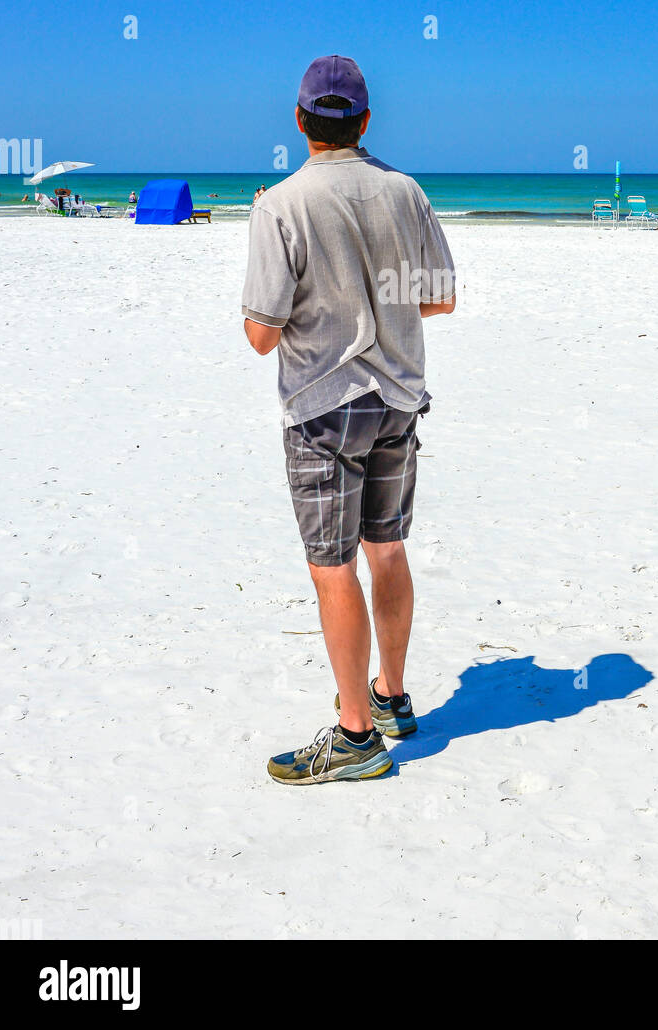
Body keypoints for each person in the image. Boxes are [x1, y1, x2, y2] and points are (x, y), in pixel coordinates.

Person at [242, 55, 456, 785]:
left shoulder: (280, 204)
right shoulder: (405, 191)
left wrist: (328, 305)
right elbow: (437, 300)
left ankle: (357, 737)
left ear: (300, 121)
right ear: (364, 121)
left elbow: (260, 333)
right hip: (396, 398)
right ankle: (389, 697)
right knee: (386, 549)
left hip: (323, 407)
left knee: (332, 569)